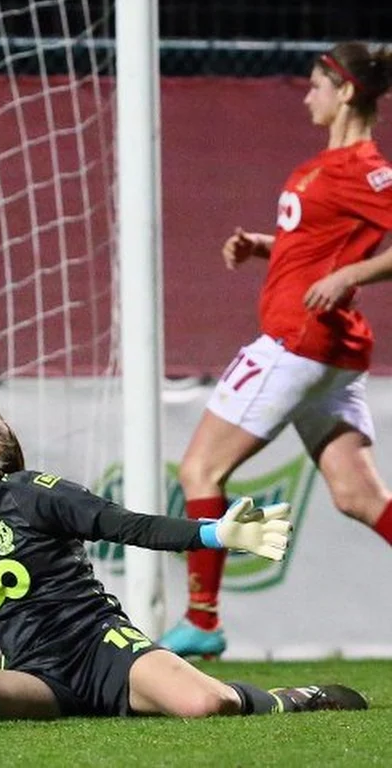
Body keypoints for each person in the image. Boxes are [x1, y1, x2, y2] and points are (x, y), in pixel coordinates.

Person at [0, 397, 366, 730]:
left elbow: (126, 526)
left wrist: (216, 532)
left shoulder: (34, 493)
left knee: (206, 703)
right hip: (37, 679)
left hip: (100, 649)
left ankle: (297, 698)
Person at [160, 42, 392, 659]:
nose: (308, 94)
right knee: (359, 498)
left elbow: (350, 261)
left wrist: (351, 277)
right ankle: (202, 621)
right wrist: (268, 247)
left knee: (200, 471)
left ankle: (202, 620)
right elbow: (320, 244)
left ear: (345, 92)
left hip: (298, 341)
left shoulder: (365, 169)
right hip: (331, 353)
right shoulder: (325, 166)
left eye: (317, 84)